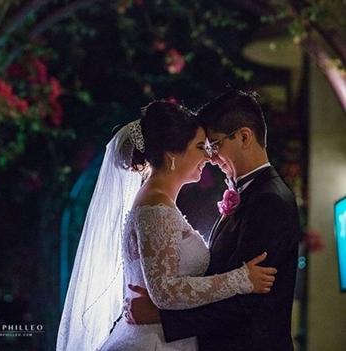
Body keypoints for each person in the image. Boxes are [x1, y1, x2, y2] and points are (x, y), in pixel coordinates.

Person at [56, 99, 277, 351]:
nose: (208, 156)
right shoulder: (155, 208)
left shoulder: (159, 203)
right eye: (200, 147)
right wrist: (240, 279)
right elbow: (166, 291)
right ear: (172, 154)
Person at [126, 90, 301, 351]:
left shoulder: (270, 200)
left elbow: (247, 303)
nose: (210, 157)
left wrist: (162, 317)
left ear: (244, 137)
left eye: (214, 145)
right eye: (205, 147)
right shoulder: (248, 194)